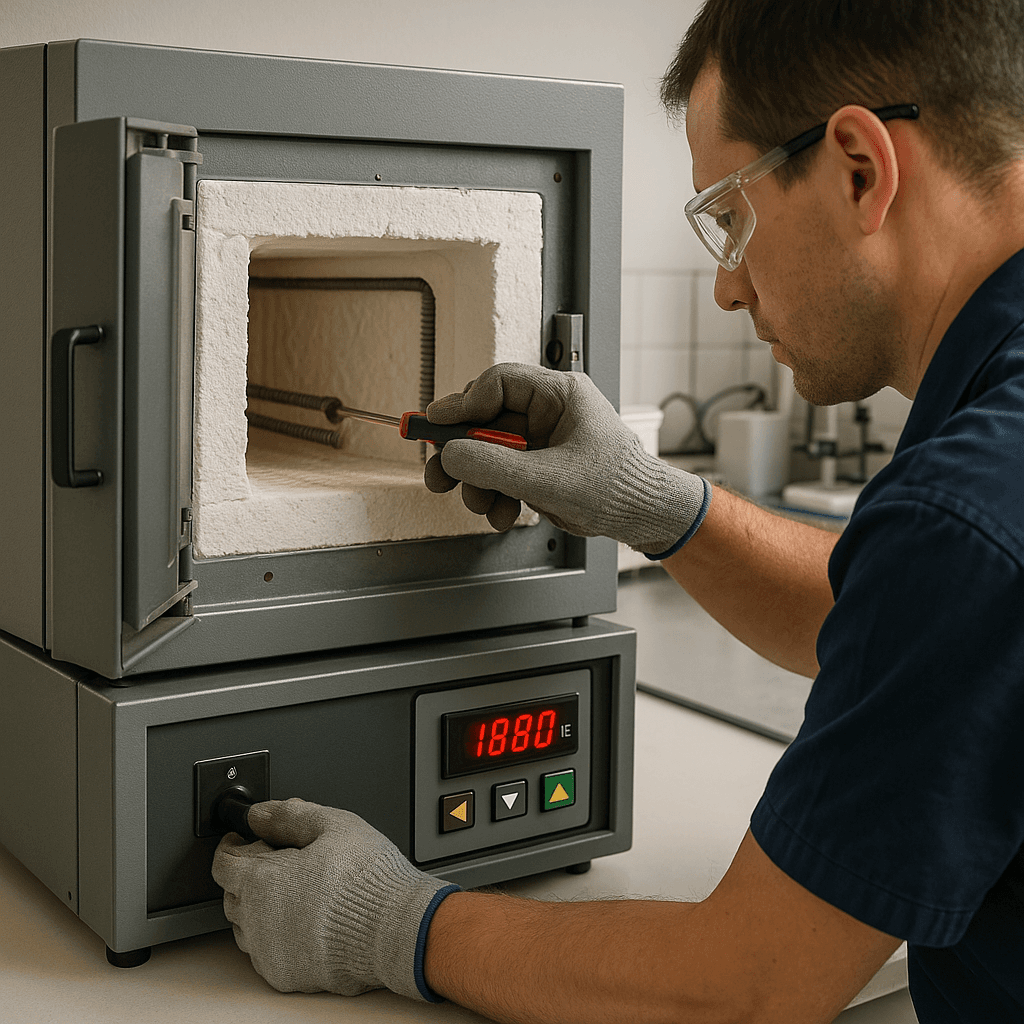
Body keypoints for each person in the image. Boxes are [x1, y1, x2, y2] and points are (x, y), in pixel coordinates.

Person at [211, 0, 1024, 1019]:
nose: (727, 288)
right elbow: (910, 627)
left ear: (860, 166)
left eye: (730, 215)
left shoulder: (971, 504)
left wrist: (393, 921)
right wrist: (653, 503)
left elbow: (745, 984)